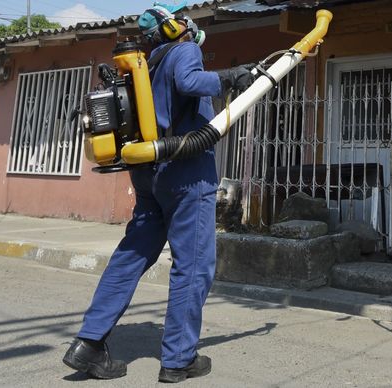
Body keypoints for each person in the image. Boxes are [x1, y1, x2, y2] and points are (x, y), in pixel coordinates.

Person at [62, 1, 253, 384]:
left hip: (148, 175)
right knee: (193, 264)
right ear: (174, 27)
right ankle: (179, 359)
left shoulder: (143, 66)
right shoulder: (185, 50)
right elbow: (190, 82)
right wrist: (230, 77)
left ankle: (90, 343)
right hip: (186, 172)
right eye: (187, 22)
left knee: (131, 256)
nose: (193, 27)